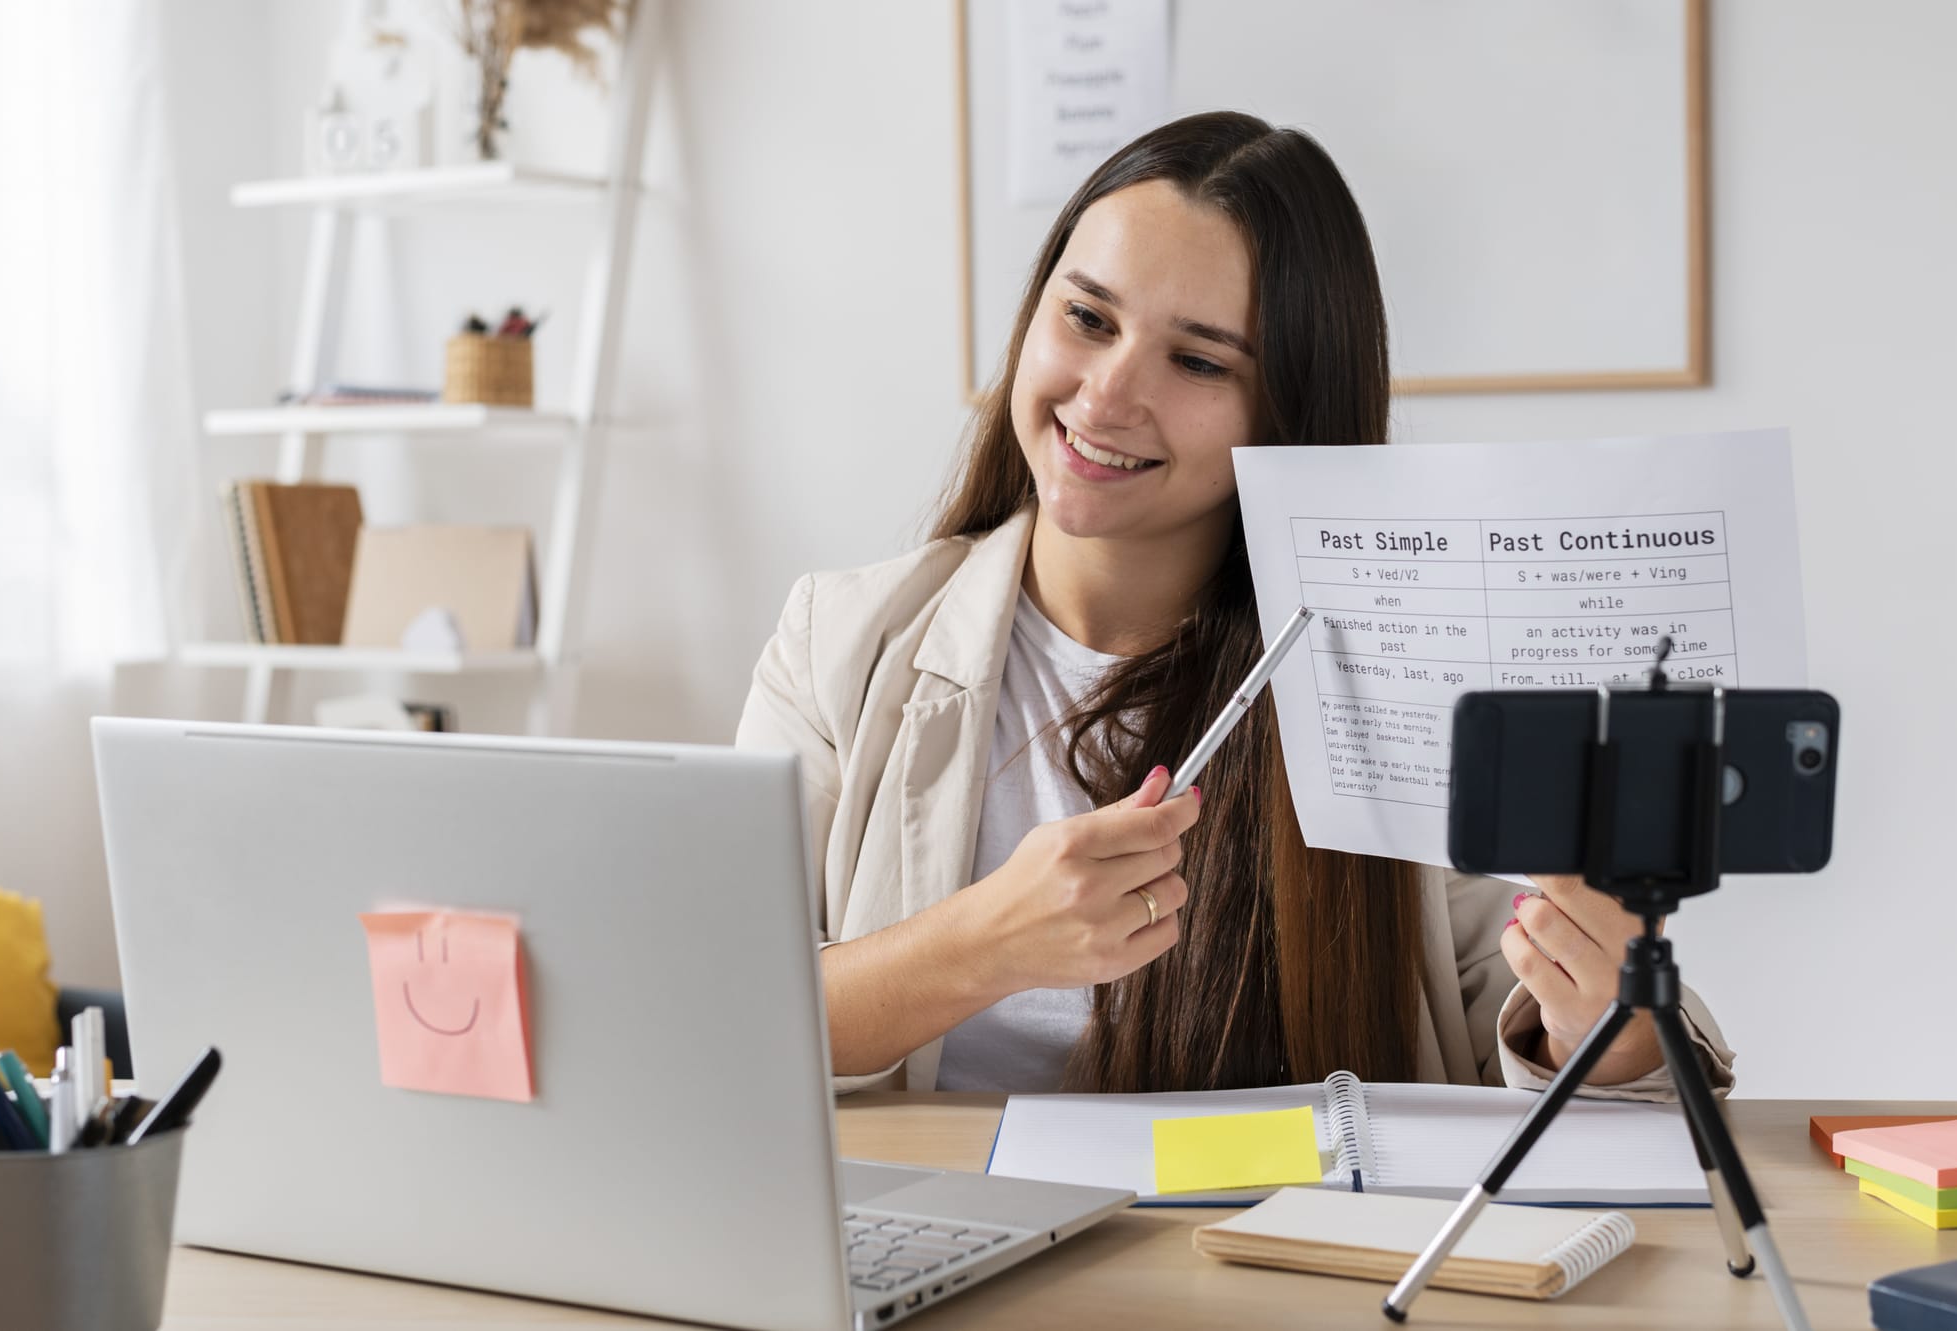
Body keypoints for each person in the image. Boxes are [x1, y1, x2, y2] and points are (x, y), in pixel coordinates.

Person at [736, 111, 1733, 1099]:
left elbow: (1528, 1042)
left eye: (1200, 360)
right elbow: (705, 1011)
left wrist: (1602, 1018)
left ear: (1289, 413)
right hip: (938, 1241)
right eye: (1086, 318)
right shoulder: (839, 642)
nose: (1107, 393)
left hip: (1252, 1253)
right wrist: (983, 943)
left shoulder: (1384, 678)